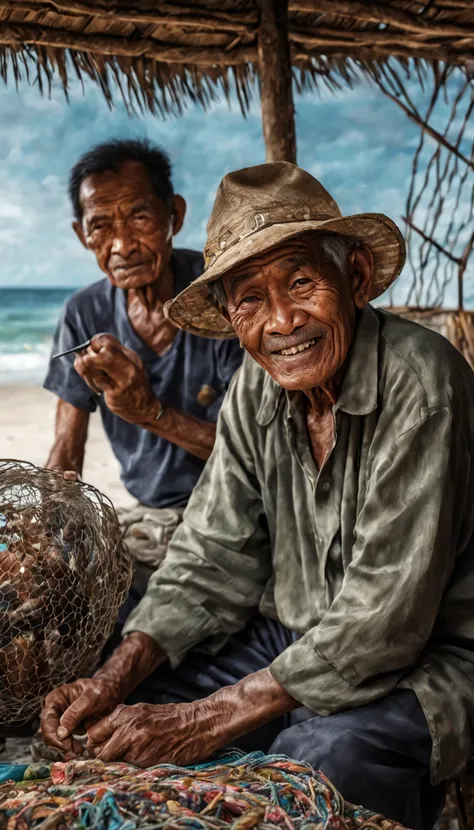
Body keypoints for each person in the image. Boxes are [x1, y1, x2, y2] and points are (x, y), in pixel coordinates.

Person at [41, 163, 474, 830]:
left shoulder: (421, 380)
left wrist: (206, 718)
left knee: (320, 764)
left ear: (354, 279)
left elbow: (385, 620)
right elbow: (209, 556)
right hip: (288, 637)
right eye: (249, 299)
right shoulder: (256, 387)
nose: (281, 321)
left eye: (302, 282)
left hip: (427, 657)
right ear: (227, 315)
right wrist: (112, 679)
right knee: (115, 715)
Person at [43, 139, 243, 586]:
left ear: (174, 214)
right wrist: (52, 529)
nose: (122, 246)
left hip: (238, 511)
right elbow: (65, 452)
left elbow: (258, 455)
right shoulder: (84, 313)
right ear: (82, 234)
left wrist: (148, 413)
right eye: (100, 227)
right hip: (151, 514)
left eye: (139, 217)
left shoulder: (226, 298)